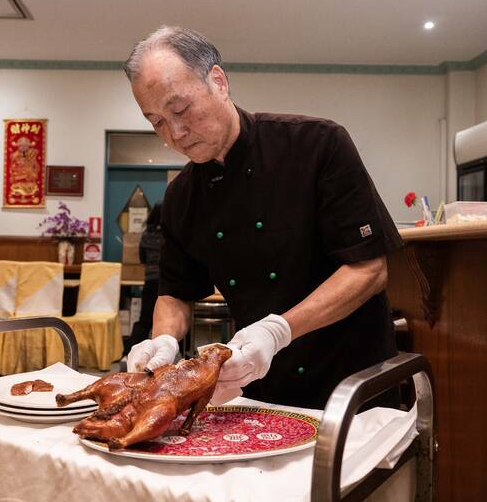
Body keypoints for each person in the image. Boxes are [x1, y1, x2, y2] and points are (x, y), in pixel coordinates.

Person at [123, 26, 403, 410]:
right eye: (156, 121)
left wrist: (277, 331)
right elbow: (175, 292)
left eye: (180, 109)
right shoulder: (181, 196)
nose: (175, 133)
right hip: (261, 388)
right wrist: (163, 342)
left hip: (353, 382)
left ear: (218, 81)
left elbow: (369, 269)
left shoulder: (317, 145)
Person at [126, 203, 163, 354]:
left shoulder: (146, 234)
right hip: (167, 281)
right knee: (172, 318)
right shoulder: (170, 235)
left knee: (145, 319)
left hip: (150, 281)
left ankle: (130, 353)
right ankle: (184, 352)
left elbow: (142, 258)